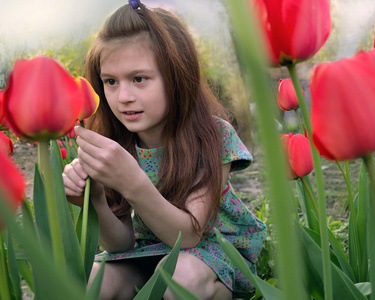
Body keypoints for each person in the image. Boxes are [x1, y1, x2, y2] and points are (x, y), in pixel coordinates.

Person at [62, 1, 266, 299]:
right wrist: (95, 202)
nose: (124, 97)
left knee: (178, 278)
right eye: (110, 81)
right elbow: (119, 245)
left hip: (208, 253)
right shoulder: (116, 141)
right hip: (145, 253)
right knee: (95, 279)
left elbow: (189, 235)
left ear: (176, 75)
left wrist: (131, 180)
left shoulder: (213, 136)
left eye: (139, 79)